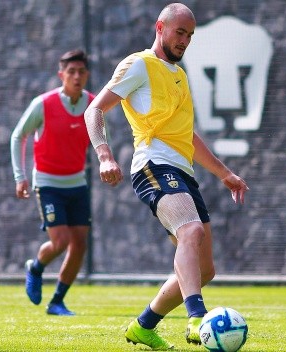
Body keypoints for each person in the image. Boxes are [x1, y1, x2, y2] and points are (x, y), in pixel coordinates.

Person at [84, 3, 248, 350]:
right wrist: (103, 155)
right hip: (152, 166)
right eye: (179, 32)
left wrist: (224, 173)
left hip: (183, 172)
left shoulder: (180, 76)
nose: (185, 40)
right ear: (160, 27)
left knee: (205, 270)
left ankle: (143, 327)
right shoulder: (139, 64)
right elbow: (94, 109)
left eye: (190, 35)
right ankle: (197, 318)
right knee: (189, 231)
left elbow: (187, 136)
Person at [11, 49, 94, 316]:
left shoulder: (94, 105)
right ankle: (35, 267)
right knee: (60, 242)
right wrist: (20, 177)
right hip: (47, 183)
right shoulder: (43, 104)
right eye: (71, 72)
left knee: (80, 243)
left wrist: (108, 161)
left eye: (81, 71)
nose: (77, 76)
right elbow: (18, 136)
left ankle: (57, 301)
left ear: (87, 75)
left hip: (77, 184)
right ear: (61, 75)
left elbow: (100, 137)